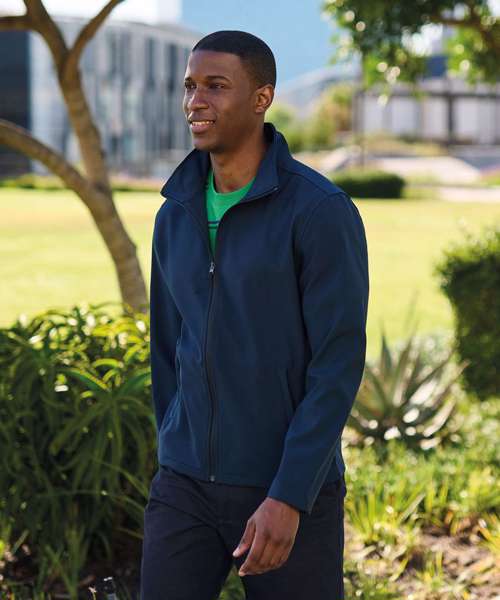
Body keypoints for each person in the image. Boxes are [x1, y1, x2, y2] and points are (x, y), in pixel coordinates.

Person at [140, 29, 369, 600]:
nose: (196, 101)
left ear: (262, 98)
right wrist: (174, 445)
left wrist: (290, 494)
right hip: (185, 487)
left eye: (216, 86)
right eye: (190, 86)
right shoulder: (174, 215)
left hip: (286, 487)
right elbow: (167, 347)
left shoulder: (320, 212)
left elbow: (336, 366)